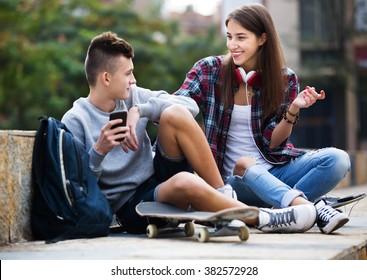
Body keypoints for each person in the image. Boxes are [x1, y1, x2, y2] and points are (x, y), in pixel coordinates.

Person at [61, 31, 318, 235]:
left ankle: (221, 192)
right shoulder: (76, 120)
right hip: (130, 206)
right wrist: (99, 151)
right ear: (106, 78)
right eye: (128, 74)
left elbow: (188, 106)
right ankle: (265, 218)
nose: (134, 80)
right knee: (185, 181)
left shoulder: (134, 97)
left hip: (156, 176)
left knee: (173, 113)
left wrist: (141, 110)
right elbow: (77, 190)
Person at [174, 4, 351, 234]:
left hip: (274, 171)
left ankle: (279, 211)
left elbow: (273, 144)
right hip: (232, 182)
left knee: (338, 159)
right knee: (246, 163)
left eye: (241, 37)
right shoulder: (209, 70)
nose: (232, 45)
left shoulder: (285, 79)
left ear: (261, 39)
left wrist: (294, 109)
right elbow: (177, 104)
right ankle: (312, 209)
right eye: (229, 37)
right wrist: (144, 107)